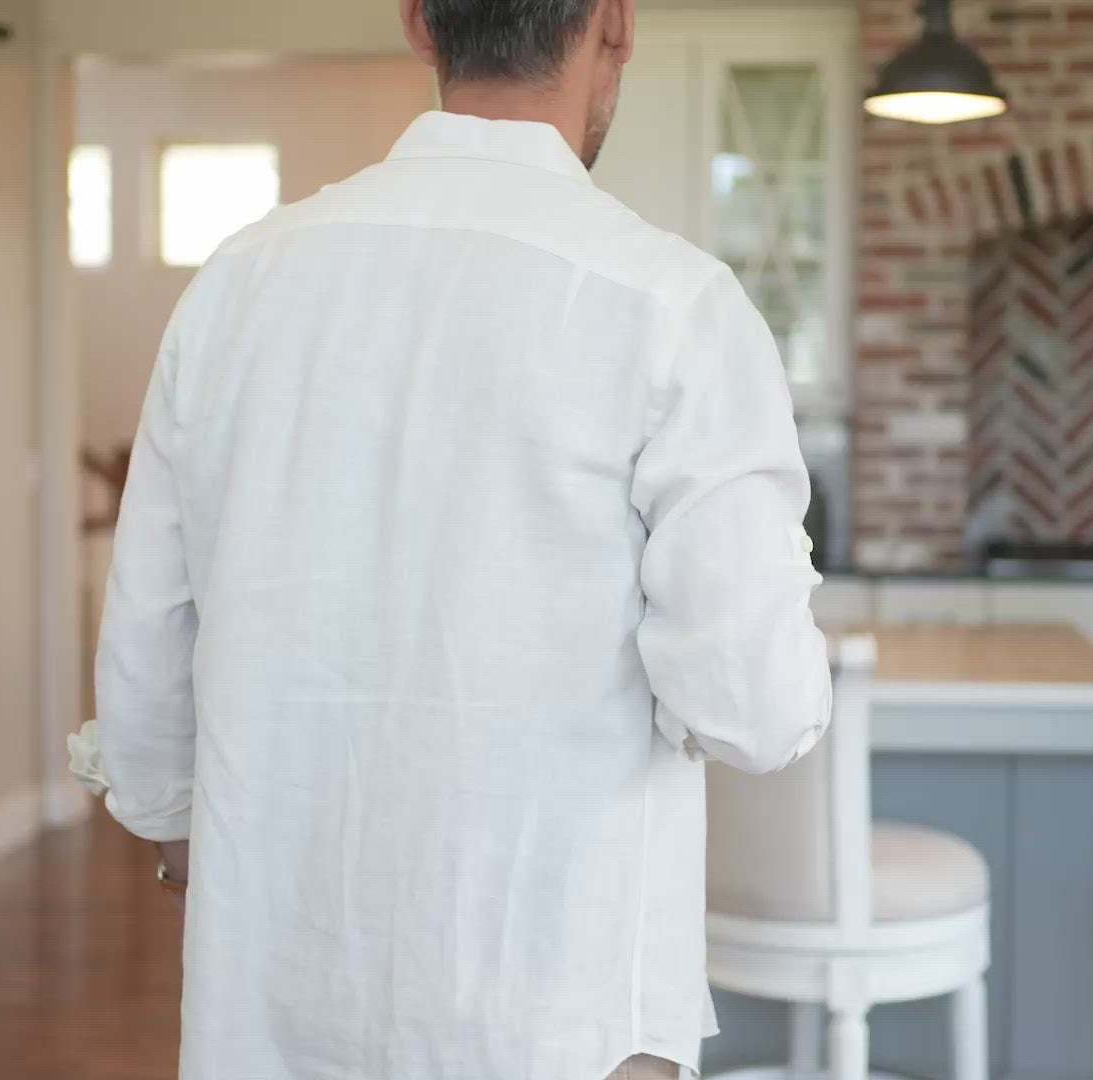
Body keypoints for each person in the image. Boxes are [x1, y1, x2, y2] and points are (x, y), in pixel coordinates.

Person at [89, 1, 833, 1078]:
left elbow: (148, 654)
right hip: (558, 1012)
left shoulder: (237, 284)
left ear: (419, 23)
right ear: (614, 25)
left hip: (279, 1007)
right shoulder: (671, 308)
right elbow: (754, 708)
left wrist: (184, 831)